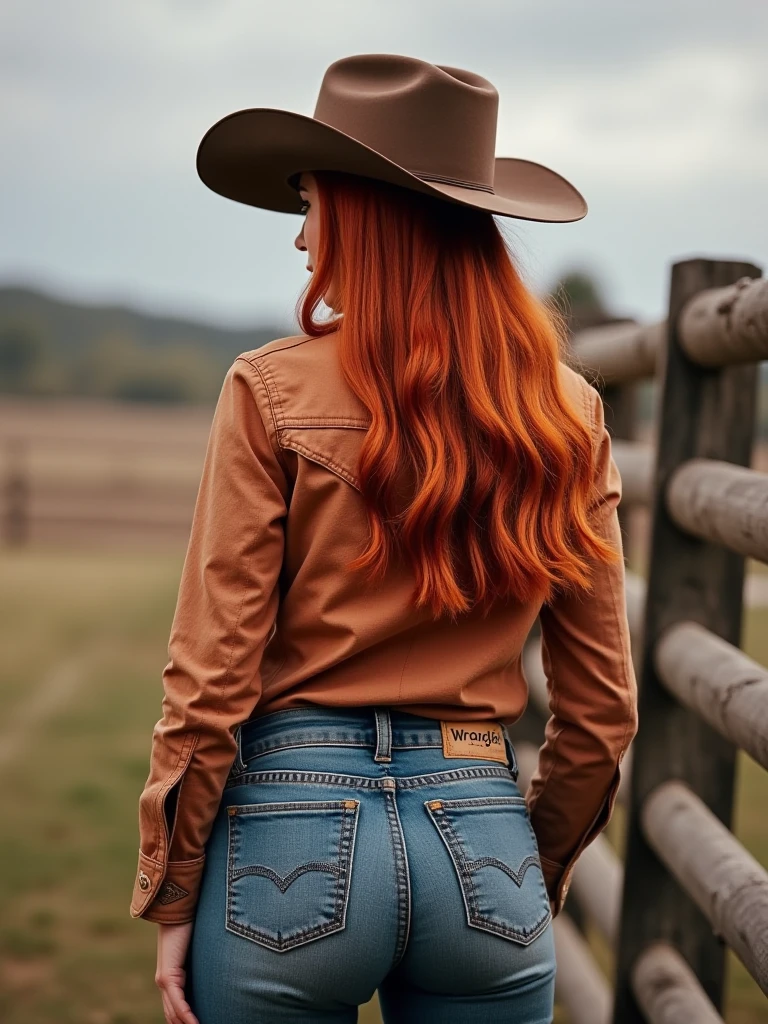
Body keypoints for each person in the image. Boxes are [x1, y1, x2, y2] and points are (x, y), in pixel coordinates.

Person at [130, 53, 638, 1024]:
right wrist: (528, 870)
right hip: (481, 831)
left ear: (362, 216)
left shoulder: (268, 390)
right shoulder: (569, 413)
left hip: (288, 832)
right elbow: (603, 711)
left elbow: (210, 680)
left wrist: (174, 886)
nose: (301, 238)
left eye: (311, 202)